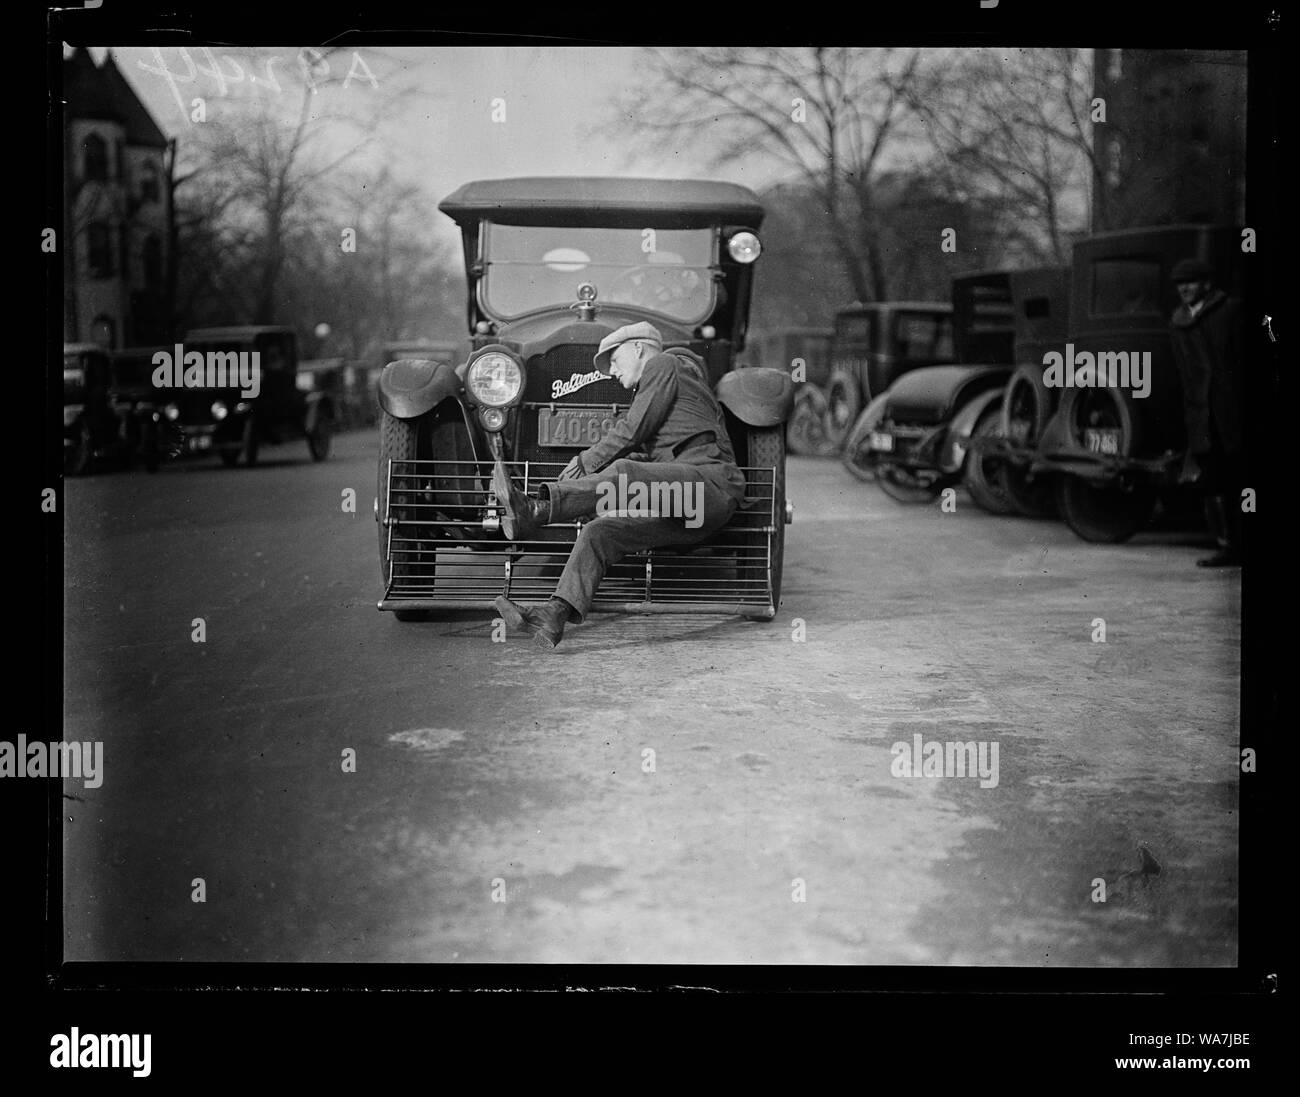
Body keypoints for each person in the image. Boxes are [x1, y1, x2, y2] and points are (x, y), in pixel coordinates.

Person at [491, 321, 747, 650]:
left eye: (613, 359)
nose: (611, 371)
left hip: (709, 489)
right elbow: (657, 453)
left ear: (639, 347)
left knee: (624, 470)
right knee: (600, 532)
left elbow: (632, 429)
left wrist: (587, 462)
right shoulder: (672, 391)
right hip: (688, 509)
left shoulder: (664, 363)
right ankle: (553, 614)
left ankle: (536, 510)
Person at [1168, 257, 1244, 568]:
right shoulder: (1177, 322)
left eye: (1191, 281)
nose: (1184, 288)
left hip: (1235, 412)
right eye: (1180, 283)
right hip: (1205, 417)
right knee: (1222, 485)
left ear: (1207, 284)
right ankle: (1232, 549)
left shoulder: (1232, 311)